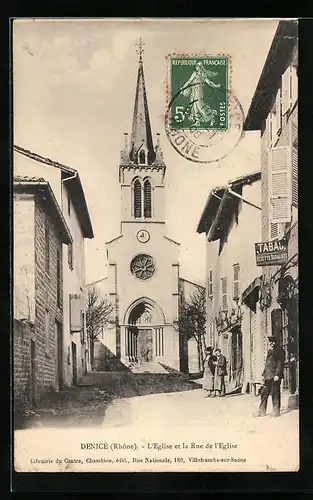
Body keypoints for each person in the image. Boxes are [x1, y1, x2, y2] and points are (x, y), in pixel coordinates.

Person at [179, 61, 221, 127]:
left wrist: (215, 86)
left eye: (198, 66)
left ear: (200, 67)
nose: (196, 67)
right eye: (196, 66)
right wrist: (183, 88)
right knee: (194, 106)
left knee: (199, 105)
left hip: (199, 91)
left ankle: (212, 117)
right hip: (193, 91)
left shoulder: (203, 74)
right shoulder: (194, 73)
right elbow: (189, 81)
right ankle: (197, 122)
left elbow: (209, 82)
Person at [257, 336, 285, 417]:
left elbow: (280, 364)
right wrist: (263, 374)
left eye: (273, 342)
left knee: (275, 393)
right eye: (270, 342)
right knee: (264, 393)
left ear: (276, 342)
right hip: (267, 376)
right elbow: (267, 364)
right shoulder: (269, 351)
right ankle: (261, 411)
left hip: (275, 376)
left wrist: (277, 374)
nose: (271, 343)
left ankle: (276, 412)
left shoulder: (280, 351)